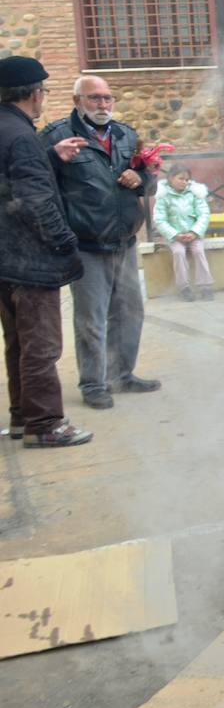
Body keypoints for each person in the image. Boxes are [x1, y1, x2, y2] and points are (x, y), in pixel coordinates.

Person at [43, 75, 160, 409]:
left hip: (124, 239)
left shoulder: (125, 134)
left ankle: (122, 375)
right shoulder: (57, 137)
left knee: (129, 311)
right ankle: (93, 383)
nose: (103, 105)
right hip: (86, 243)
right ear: (77, 100)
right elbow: (41, 180)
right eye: (95, 98)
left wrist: (141, 178)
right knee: (91, 318)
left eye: (108, 98)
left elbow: (148, 176)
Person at [0, 56, 91, 448]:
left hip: (6, 259)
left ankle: (22, 416)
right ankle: (45, 424)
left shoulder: (7, 130)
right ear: (34, 93)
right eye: (44, 92)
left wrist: (50, 157)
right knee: (42, 346)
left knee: (19, 342)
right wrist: (65, 242)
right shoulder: (20, 136)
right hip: (30, 261)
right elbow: (34, 200)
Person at [153, 163, 215, 302]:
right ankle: (184, 288)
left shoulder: (194, 193)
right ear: (170, 178)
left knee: (199, 251)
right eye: (181, 178)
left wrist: (194, 232)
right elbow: (160, 219)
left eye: (187, 179)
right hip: (175, 237)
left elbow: (204, 214)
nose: (184, 182)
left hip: (194, 235)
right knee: (178, 253)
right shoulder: (163, 196)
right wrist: (175, 235)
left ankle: (205, 286)